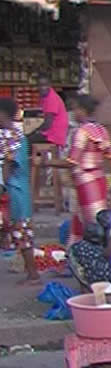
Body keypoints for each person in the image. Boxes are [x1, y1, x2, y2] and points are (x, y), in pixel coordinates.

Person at [39, 95, 111, 246]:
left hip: (85, 182)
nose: (73, 113)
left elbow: (72, 162)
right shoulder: (101, 130)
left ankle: (91, 256)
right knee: (91, 218)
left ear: (83, 110)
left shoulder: (81, 132)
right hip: (99, 179)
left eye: (75, 109)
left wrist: (47, 162)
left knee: (92, 223)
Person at [0, 98, 39, 285]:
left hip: (15, 190)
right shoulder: (17, 134)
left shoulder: (10, 135)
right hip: (19, 189)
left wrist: (3, 185)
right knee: (21, 231)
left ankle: (33, 274)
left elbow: (7, 165)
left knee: (21, 231)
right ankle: (30, 272)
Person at [26, 74, 69, 152]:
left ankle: (28, 163)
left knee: (26, 141)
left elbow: (47, 123)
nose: (42, 88)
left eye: (45, 85)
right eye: (40, 85)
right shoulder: (44, 97)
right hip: (50, 132)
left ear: (49, 85)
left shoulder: (51, 98)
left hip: (54, 135)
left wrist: (33, 131)